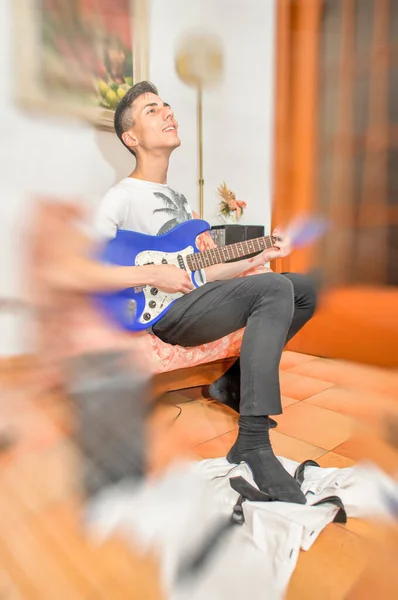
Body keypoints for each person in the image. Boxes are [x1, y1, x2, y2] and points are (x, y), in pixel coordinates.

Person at [95, 81, 317, 504]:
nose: (166, 112)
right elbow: (86, 270)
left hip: (199, 299)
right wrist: (155, 274)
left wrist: (262, 250)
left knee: (300, 289)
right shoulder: (120, 198)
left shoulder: (181, 202)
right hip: (167, 313)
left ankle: (229, 385)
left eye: (166, 105)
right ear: (132, 138)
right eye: (150, 110)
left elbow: (208, 270)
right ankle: (252, 442)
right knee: (272, 288)